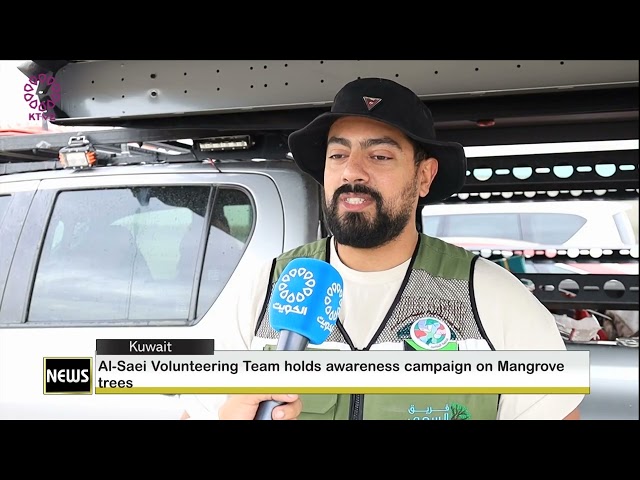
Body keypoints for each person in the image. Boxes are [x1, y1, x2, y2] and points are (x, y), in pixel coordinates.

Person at [179, 77, 584, 420]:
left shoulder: (493, 298)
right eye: (338, 154)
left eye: (380, 155)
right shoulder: (264, 290)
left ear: (424, 176)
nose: (352, 171)